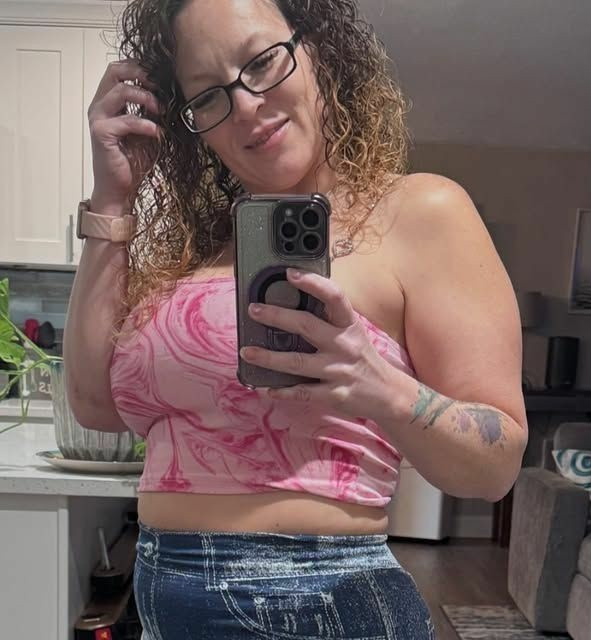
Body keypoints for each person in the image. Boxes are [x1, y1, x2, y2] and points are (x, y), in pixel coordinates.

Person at [64, 0, 528, 637]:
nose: (246, 104)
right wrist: (113, 200)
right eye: (208, 95)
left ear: (319, 50)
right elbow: (95, 405)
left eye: (261, 62)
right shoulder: (191, 253)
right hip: (165, 603)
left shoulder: (421, 211)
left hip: (325, 602)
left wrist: (382, 388)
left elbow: (496, 466)